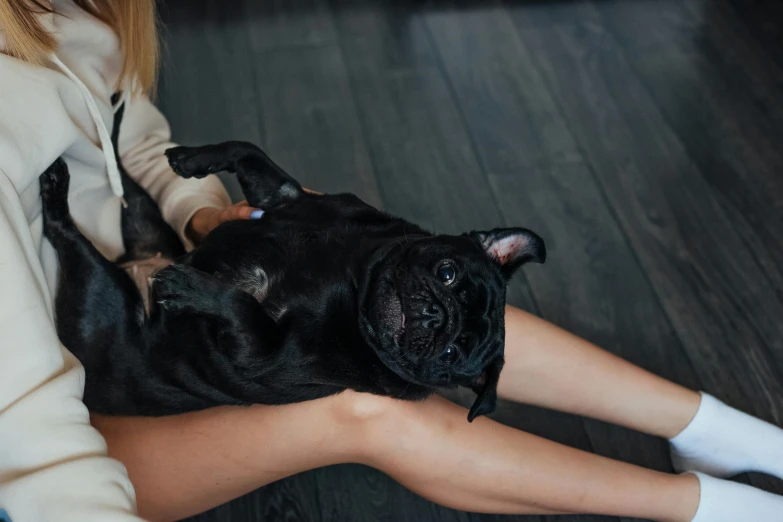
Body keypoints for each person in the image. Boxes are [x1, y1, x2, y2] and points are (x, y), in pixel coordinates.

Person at [1, 2, 782, 522]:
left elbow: (135, 138)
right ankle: (703, 506)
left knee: (392, 270)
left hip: (157, 281)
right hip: (89, 414)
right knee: (361, 404)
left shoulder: (61, 12)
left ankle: (714, 429)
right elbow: (30, 433)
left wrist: (203, 213)